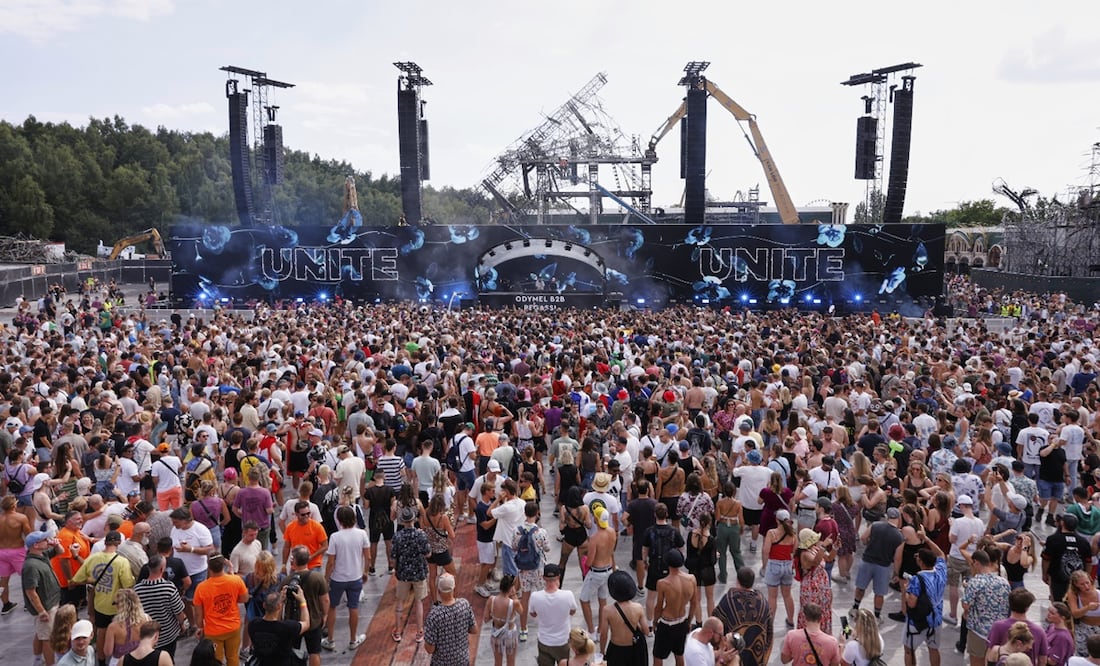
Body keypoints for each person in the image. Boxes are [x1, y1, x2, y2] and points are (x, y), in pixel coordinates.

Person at [71, 530, 134, 666]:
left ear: (105, 542)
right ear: (118, 543)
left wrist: (92, 580)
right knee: (121, 632)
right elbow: (128, 585)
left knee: (101, 633)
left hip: (99, 604)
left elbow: (77, 579)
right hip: (117, 605)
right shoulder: (122, 561)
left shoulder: (92, 558)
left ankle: (101, 661)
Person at [322, 505, 369, 651]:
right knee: (353, 607)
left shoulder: (335, 537)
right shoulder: (362, 534)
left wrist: (326, 578)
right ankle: (353, 639)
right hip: (355, 576)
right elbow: (368, 556)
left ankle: (330, 639)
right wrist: (365, 572)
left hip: (338, 578)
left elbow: (330, 562)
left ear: (339, 520)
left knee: (332, 607)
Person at [193, 553, 249, 666]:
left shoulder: (201, 588)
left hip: (213, 631)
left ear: (209, 567)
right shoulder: (235, 580)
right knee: (233, 658)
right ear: (224, 565)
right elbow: (244, 598)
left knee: (215, 660)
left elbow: (198, 614)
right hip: (233, 627)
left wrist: (200, 627)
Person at [850, 507, 903, 622]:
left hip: (867, 561)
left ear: (887, 517)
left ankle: (855, 608)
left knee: (860, 587)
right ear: (898, 519)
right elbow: (897, 558)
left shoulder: (875, 525)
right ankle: (877, 616)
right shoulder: (899, 536)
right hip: (883, 566)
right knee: (879, 593)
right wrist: (896, 573)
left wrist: (870, 543)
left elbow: (863, 538)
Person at [714, 566, 773, 666]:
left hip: (733, 658)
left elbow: (716, 626)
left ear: (737, 580)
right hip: (756, 659)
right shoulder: (763, 603)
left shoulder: (728, 600)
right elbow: (769, 633)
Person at [960, 548, 1010, 666]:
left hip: (979, 631)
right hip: (999, 632)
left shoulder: (976, 581)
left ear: (976, 563)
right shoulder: (1004, 582)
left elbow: (966, 605)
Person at [904, 531, 947, 666]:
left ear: (921, 562)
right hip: (936, 620)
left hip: (918, 622)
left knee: (909, 650)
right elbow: (941, 554)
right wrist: (927, 539)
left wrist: (906, 590)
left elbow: (911, 603)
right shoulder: (941, 571)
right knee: (934, 649)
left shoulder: (917, 580)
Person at [133, 554, 186, 660]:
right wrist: (182, 625)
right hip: (168, 634)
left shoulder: (136, 590)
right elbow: (179, 613)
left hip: (147, 636)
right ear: (162, 569)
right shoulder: (169, 588)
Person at [510, 500, 549, 641]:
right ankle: (545, 626)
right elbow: (547, 548)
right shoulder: (541, 532)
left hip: (523, 569)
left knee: (524, 598)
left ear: (524, 513)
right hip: (538, 568)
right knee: (543, 595)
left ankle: (523, 629)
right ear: (537, 513)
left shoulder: (517, 530)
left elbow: (514, 547)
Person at [391, 505, 430, 644]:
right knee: (419, 602)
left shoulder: (397, 536)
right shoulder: (421, 535)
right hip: (419, 572)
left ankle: (397, 631)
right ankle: (419, 632)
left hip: (403, 573)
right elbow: (428, 553)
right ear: (414, 519)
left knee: (400, 602)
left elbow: (394, 558)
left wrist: (396, 571)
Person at [23, 531, 62, 666]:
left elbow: (60, 552)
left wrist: (55, 545)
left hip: (51, 602)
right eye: (45, 539)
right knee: (47, 637)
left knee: (41, 633)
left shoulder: (42, 555)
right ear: (36, 545)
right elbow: (31, 591)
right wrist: (41, 611)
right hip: (46, 606)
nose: (48, 540)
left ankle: (37, 660)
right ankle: (50, 663)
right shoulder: (31, 566)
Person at [654, 548, 699, 666]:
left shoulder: (663, 583)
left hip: (666, 622)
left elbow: (659, 606)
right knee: (679, 654)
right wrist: (689, 621)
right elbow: (694, 603)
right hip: (681, 621)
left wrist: (654, 621)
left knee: (658, 655)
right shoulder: (691, 579)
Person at [527, 563, 578, 666]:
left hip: (544, 641)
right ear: (558, 577)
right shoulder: (568, 595)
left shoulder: (535, 596)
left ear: (543, 578)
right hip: (562, 641)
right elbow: (573, 611)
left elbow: (533, 614)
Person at [423, 572, 476, 666]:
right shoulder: (464, 605)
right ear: (454, 589)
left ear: (438, 591)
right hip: (462, 659)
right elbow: (474, 629)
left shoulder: (434, 615)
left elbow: (429, 649)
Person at [248, 587, 311, 666]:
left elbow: (274, 621)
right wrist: (303, 601)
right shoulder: (288, 627)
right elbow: (306, 623)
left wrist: (280, 601)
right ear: (279, 607)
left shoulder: (253, 624)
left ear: (264, 605)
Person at [986, 588, 1049, 666]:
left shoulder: (997, 626)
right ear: (1027, 608)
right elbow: (1042, 659)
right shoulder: (1039, 631)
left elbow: (990, 653)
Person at [599, 570, 649, 666]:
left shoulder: (607, 610)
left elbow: (604, 634)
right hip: (635, 649)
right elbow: (646, 631)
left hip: (617, 648)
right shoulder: (638, 607)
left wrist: (602, 651)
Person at [1044, 513, 1093, 606]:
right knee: (1076, 604)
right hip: (1078, 580)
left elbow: (1046, 559)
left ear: (1062, 523)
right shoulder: (1083, 541)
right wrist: (1087, 577)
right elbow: (1088, 562)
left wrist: (1044, 573)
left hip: (1057, 579)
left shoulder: (1053, 539)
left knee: (1058, 604)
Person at [762, 509, 797, 629]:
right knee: (787, 595)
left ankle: (770, 624)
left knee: (772, 597)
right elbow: (794, 551)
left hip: (774, 565)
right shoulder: (793, 534)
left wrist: (764, 566)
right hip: (787, 566)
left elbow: (766, 551)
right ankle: (791, 620)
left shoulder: (772, 533)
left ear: (777, 520)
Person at [795, 528, 833, 634]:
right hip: (811, 587)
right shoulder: (804, 554)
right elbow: (816, 561)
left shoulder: (815, 549)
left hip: (821, 585)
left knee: (823, 609)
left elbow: (829, 558)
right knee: (812, 611)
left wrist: (835, 548)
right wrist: (823, 546)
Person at [0, 494, 32, 614]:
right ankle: (28, 603)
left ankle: (6, 604)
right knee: (26, 576)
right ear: (14, 505)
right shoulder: (21, 518)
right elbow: (29, 536)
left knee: (3, 579)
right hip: (17, 550)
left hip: (1, 551)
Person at [484, 573, 521, 666]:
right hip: (510, 634)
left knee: (497, 662)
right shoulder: (514, 603)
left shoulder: (491, 600)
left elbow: (486, 619)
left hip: (496, 633)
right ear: (510, 588)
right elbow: (521, 611)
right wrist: (514, 595)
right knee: (511, 662)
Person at [103, 589, 148, 666]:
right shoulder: (147, 619)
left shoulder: (113, 627)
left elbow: (108, 652)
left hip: (119, 662)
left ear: (120, 605)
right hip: (142, 660)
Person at [282, 500, 328, 572]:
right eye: (303, 514)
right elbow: (286, 547)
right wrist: (284, 565)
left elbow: (325, 546)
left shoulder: (317, 526)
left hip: (313, 566)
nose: (306, 516)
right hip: (296, 566)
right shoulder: (290, 527)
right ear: (296, 514)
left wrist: (310, 557)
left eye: (308, 513)